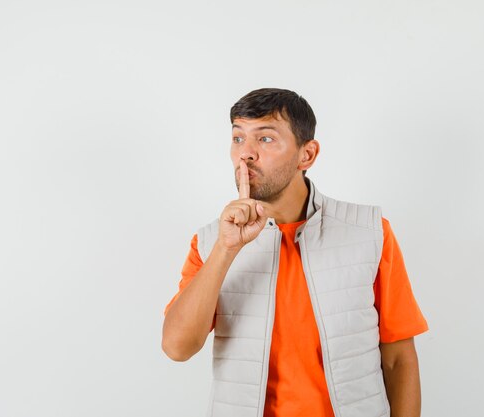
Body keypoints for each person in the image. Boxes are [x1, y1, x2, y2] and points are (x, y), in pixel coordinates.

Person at [161, 87, 428, 417]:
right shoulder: (211, 242)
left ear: (308, 155)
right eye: (238, 138)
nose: (246, 153)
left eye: (266, 139)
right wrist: (226, 249)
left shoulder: (369, 232)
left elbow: (399, 357)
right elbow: (176, 347)